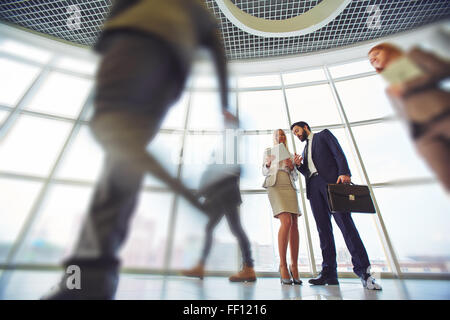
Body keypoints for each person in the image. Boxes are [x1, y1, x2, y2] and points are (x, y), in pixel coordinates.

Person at [42, 0, 237, 299]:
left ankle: (85, 279)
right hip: (167, 71)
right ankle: (92, 278)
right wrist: (224, 102)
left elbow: (120, 6)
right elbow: (216, 48)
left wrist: (106, 39)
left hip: (128, 47)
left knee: (117, 153)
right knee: (121, 166)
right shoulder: (198, 7)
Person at [290, 121, 381, 290]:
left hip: (332, 184)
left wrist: (344, 172)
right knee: (323, 231)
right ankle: (329, 273)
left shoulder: (323, 135)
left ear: (305, 127)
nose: (297, 135)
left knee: (346, 226)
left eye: (297, 131)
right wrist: (299, 166)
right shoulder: (304, 150)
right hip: (314, 188)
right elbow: (308, 172)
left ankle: (365, 273)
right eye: (294, 133)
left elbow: (338, 153)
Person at [368, 43, 450, 192]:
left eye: (376, 54)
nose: (373, 60)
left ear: (388, 50)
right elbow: (403, 115)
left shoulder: (414, 55)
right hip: (423, 134)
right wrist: (417, 143)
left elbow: (443, 68)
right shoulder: (391, 88)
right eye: (370, 60)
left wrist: (408, 85)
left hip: (443, 114)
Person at [181, 160, 256, 282]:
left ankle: (249, 267)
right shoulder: (216, 166)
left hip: (227, 197)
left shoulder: (224, 162)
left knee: (235, 229)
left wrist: (199, 195)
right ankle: (201, 266)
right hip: (221, 199)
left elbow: (236, 171)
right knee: (213, 228)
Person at [262, 129, 302, 285]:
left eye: (282, 135)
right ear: (274, 138)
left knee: (294, 224)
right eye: (277, 135)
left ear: (285, 138)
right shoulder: (269, 151)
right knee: (286, 222)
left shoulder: (291, 154)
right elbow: (264, 171)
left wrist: (292, 167)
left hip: (289, 186)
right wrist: (268, 163)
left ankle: (295, 266)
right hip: (276, 185)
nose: (280, 137)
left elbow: (296, 177)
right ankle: (283, 265)